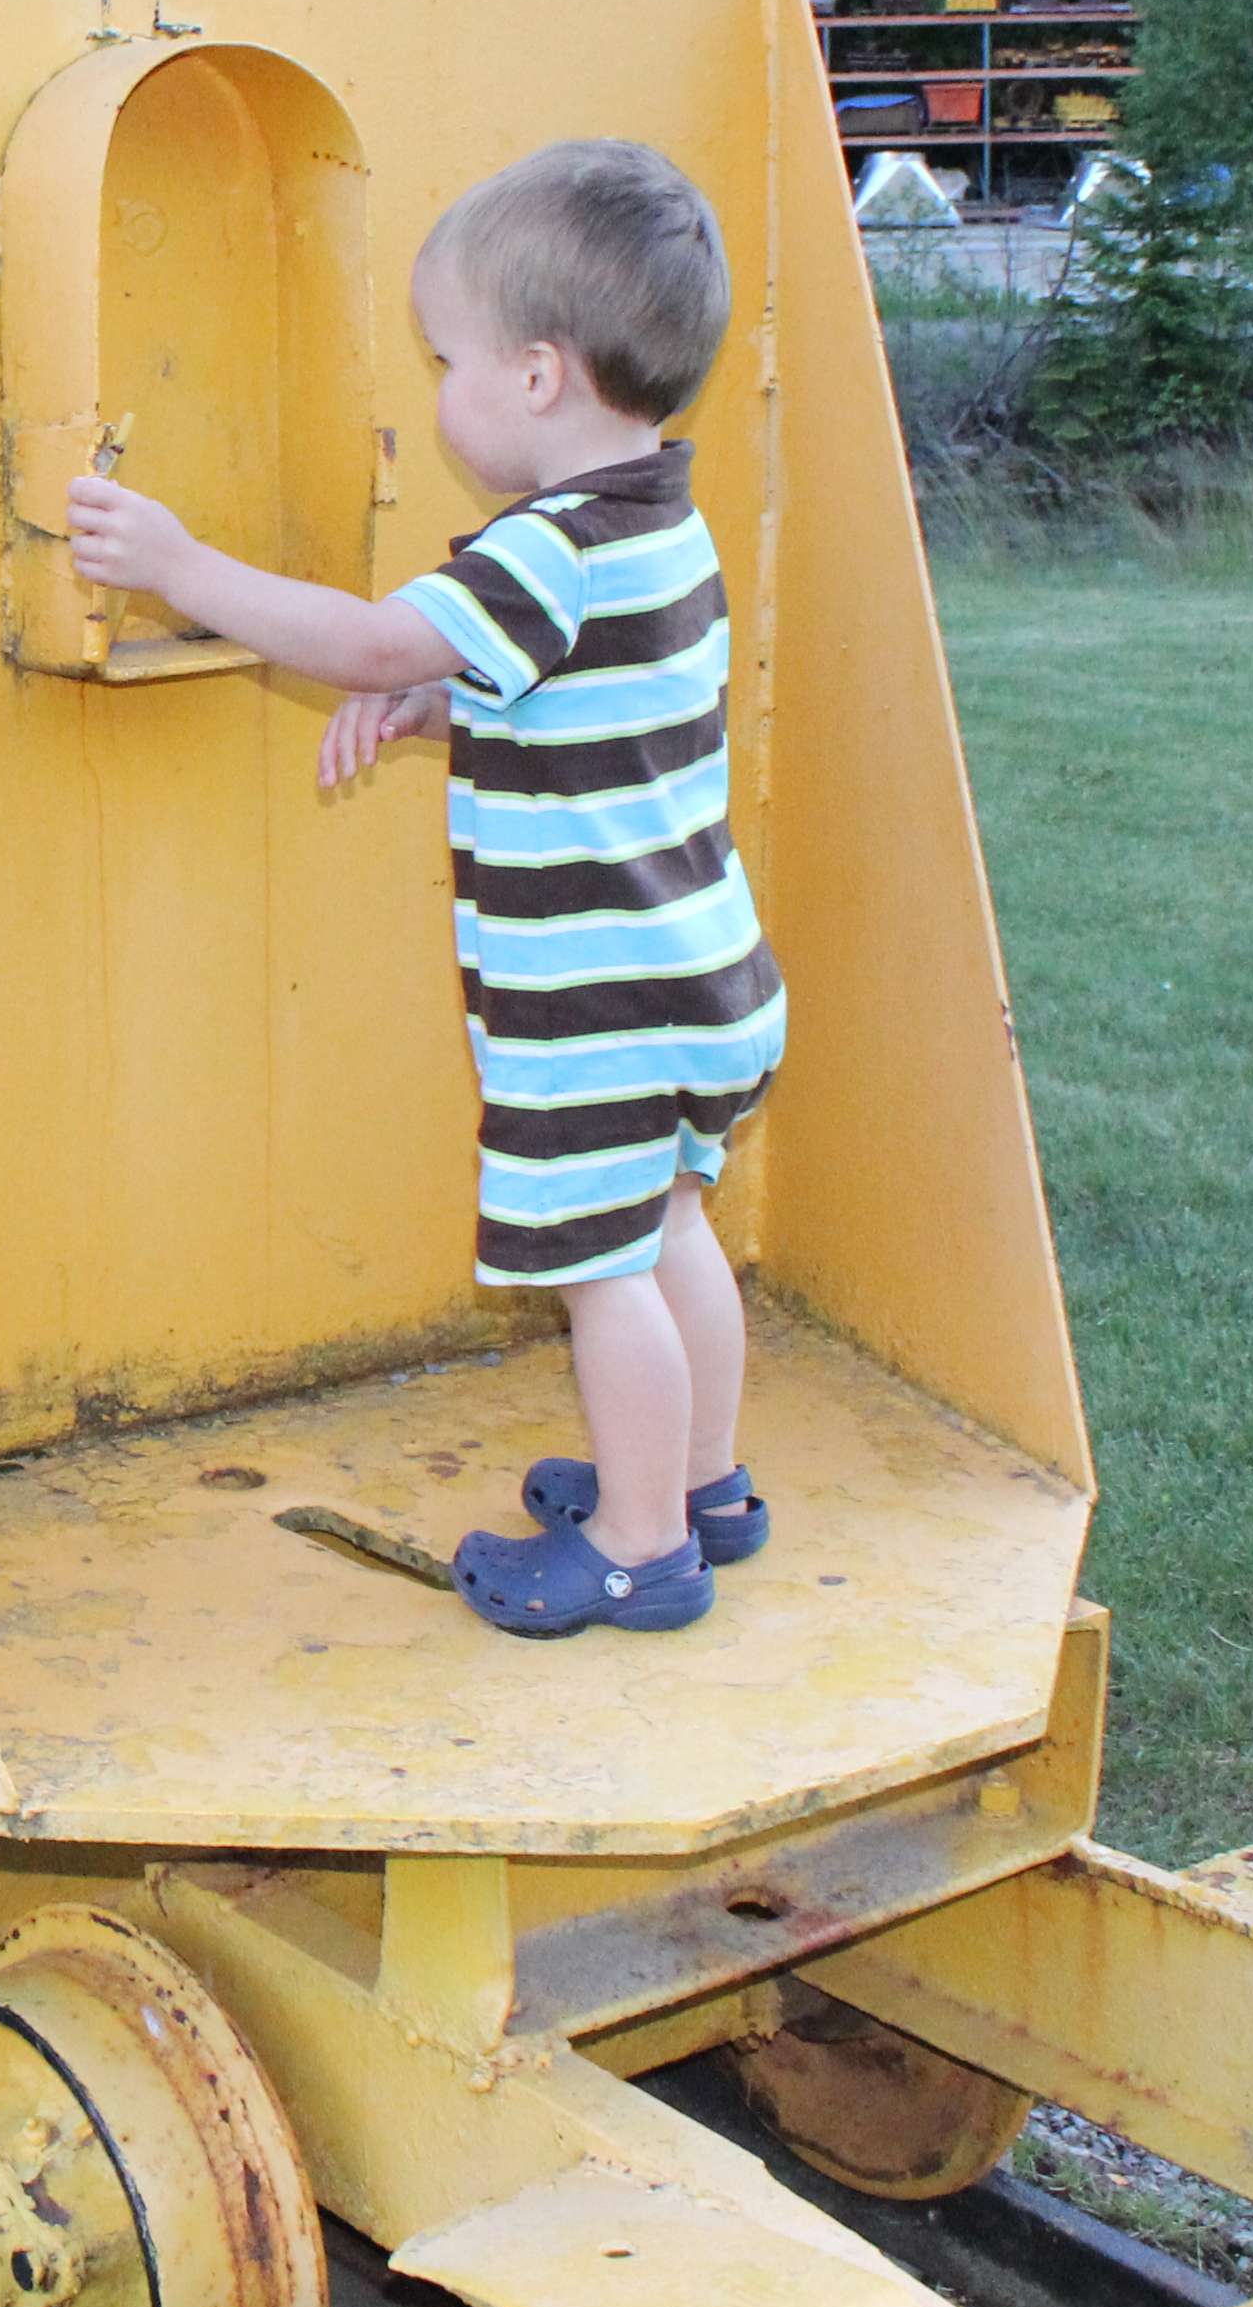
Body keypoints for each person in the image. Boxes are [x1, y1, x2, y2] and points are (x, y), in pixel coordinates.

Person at [61, 138, 786, 1640]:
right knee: (670, 1232)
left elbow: (379, 637)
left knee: (603, 1277)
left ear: (534, 377)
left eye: (445, 358)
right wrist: (458, 710)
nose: (436, 390)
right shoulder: (661, 525)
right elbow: (605, 702)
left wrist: (179, 567)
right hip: (701, 975)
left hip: (595, 1005)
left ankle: (645, 1551)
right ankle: (704, 1484)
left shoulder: (546, 546)